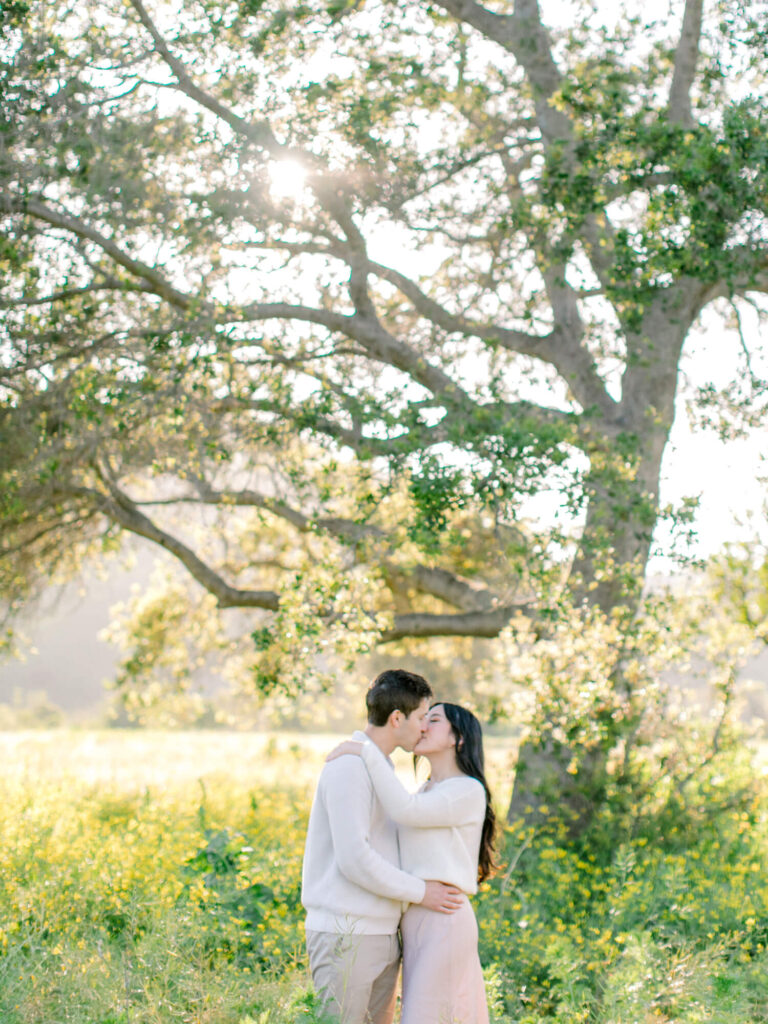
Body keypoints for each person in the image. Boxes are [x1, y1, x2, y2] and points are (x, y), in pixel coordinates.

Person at [301, 670, 464, 1024]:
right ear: (396, 719)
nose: (425, 727)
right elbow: (354, 859)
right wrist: (422, 892)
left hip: (381, 934)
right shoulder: (349, 768)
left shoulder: (380, 769)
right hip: (346, 935)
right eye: (422, 717)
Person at [327, 702, 496, 1024]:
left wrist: (366, 751)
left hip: (443, 917)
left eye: (433, 720)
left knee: (426, 1016)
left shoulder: (467, 790)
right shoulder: (428, 789)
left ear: (457, 739)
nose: (423, 726)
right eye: (423, 718)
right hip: (417, 918)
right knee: (427, 1013)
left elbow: (404, 811)